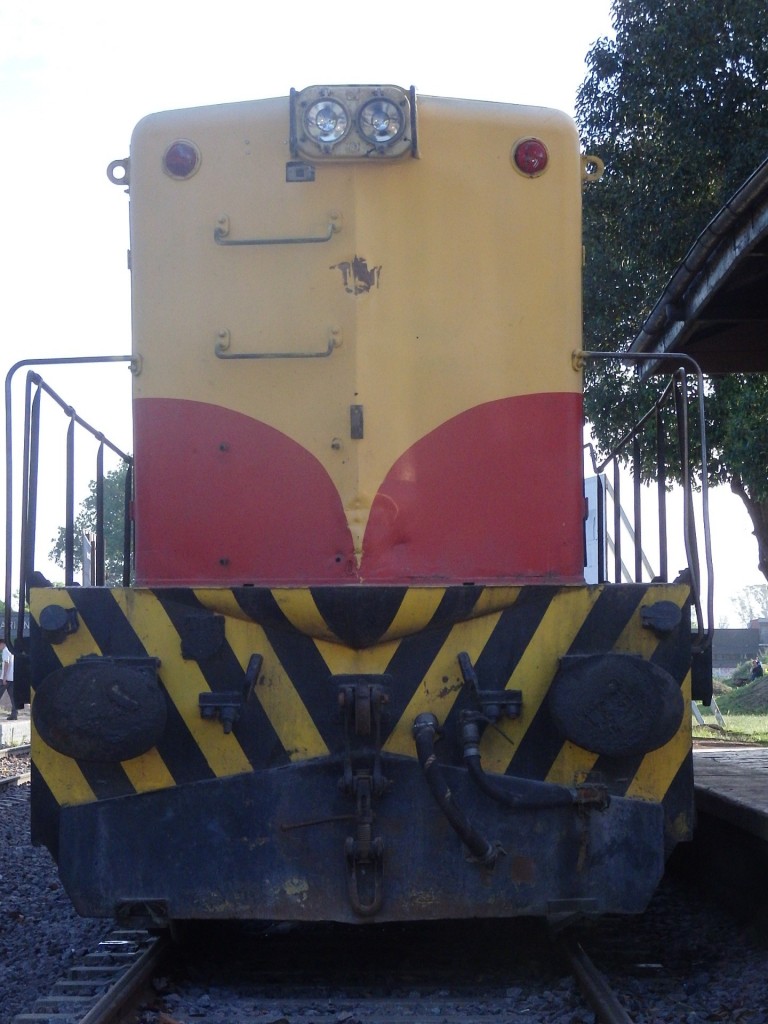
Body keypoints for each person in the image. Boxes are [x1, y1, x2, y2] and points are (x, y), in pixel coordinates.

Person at [0, 638, 16, 720]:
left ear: (1, 643)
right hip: (12, 677)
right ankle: (14, 714)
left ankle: (14, 714)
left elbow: (6, 663)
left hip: (5, 678)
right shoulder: (11, 650)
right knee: (13, 697)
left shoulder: (5, 651)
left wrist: (4, 677)